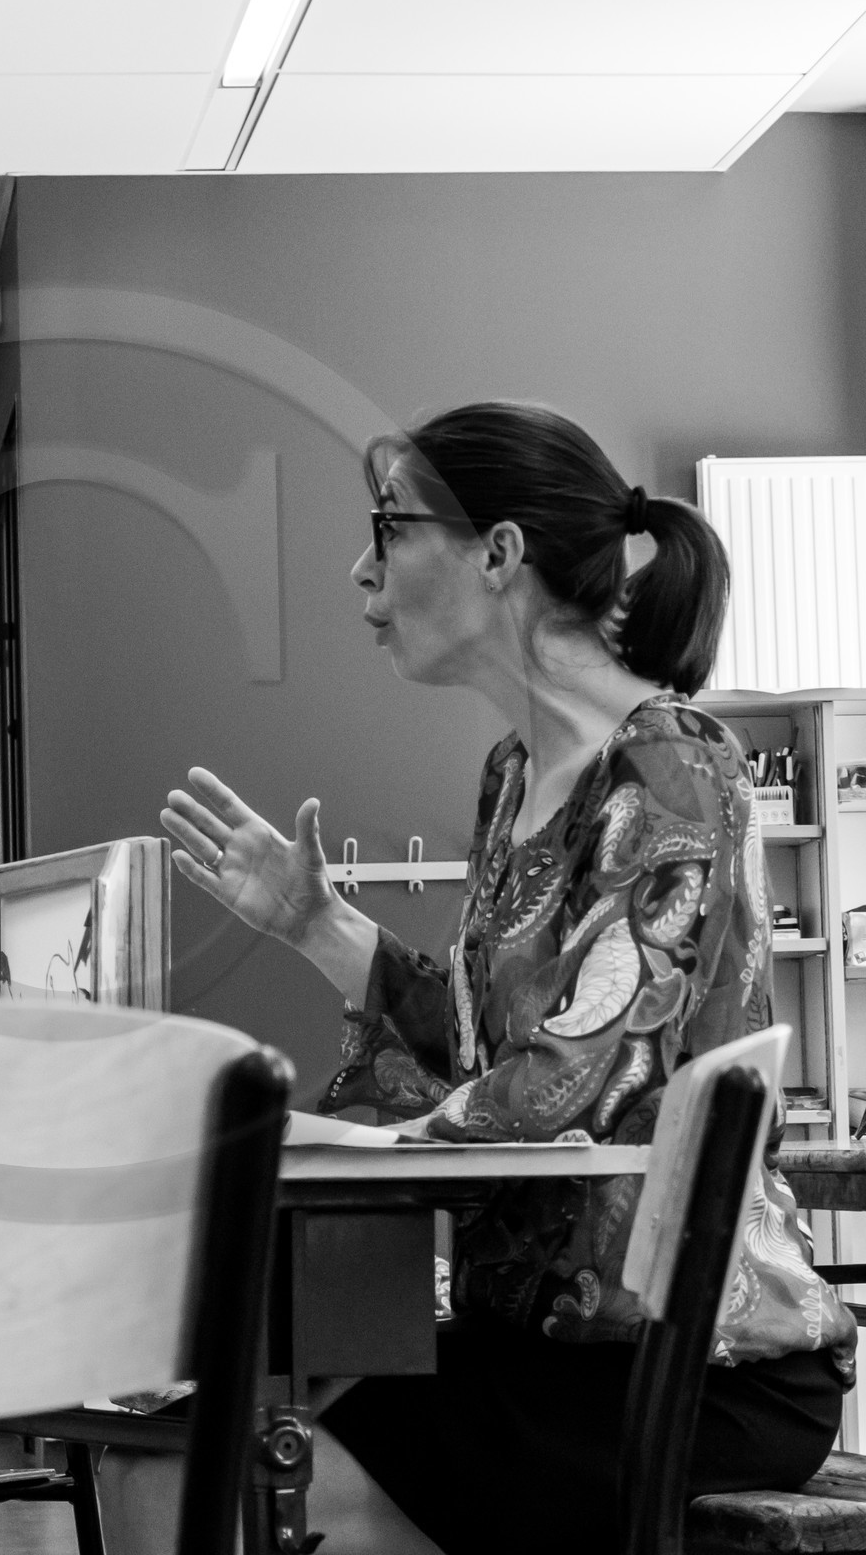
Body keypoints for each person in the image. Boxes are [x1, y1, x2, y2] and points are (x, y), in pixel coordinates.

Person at [152, 403, 856, 1555]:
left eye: (388, 528)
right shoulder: (517, 772)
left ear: (498, 554)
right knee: (197, 1437)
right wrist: (319, 923)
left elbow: (580, 1078)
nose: (359, 567)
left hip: (697, 1365)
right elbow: (492, 1053)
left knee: (238, 1477)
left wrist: (381, 1142)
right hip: (548, 1345)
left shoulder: (669, 763)